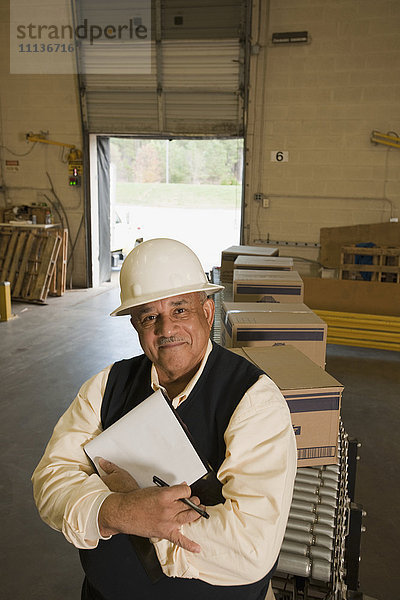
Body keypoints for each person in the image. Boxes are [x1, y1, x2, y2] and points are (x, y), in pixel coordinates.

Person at [32, 238, 297, 600]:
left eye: (180, 310)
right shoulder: (107, 386)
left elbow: (249, 549)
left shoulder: (253, 401)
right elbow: (51, 479)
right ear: (135, 326)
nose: (166, 329)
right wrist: (115, 509)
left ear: (207, 312)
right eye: (150, 317)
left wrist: (135, 510)